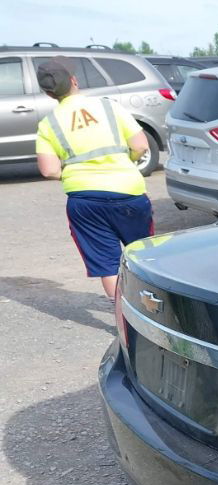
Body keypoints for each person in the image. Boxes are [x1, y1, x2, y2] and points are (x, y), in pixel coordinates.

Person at [34, 57, 154, 302]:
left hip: (84, 199)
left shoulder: (48, 124)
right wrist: (126, 163)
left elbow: (48, 170)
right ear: (74, 81)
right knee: (143, 255)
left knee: (107, 263)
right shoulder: (110, 107)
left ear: (48, 93)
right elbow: (141, 146)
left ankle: (124, 320)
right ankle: (154, 312)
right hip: (128, 191)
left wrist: (72, 174)